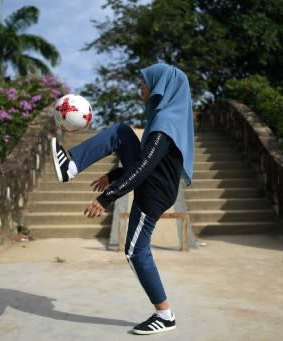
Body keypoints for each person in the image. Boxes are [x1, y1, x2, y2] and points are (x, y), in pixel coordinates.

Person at [50, 63, 194, 335]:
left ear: (159, 87)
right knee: (120, 132)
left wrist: (106, 198)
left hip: (154, 193)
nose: (141, 87)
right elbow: (145, 160)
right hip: (153, 181)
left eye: (145, 83)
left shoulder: (165, 124)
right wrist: (115, 174)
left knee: (134, 251)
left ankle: (164, 314)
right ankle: (70, 167)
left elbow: (144, 167)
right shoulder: (166, 116)